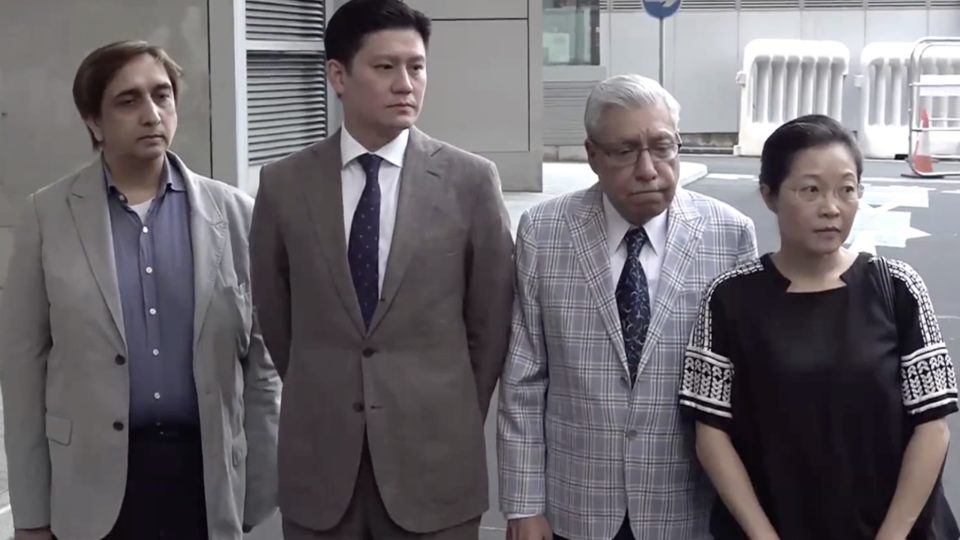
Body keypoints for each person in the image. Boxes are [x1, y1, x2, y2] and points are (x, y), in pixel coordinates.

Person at [249, 0, 514, 538]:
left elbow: (490, 324)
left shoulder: (470, 182)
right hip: (321, 468)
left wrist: (447, 410)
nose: (405, 83)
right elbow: (278, 321)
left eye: (416, 67)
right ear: (338, 76)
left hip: (435, 467)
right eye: (385, 67)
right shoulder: (284, 185)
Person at [0, 41, 281, 540]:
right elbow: (22, 375)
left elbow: (262, 368)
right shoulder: (47, 217)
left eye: (162, 95)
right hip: (91, 486)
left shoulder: (235, 215)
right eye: (128, 101)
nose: (152, 114)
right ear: (93, 122)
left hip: (206, 480)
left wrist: (260, 489)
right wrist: (30, 517)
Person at [497, 74, 758, 540]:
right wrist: (523, 505)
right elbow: (524, 378)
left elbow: (744, 386)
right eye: (624, 151)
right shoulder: (544, 231)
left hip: (687, 505)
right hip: (574, 503)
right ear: (592, 155)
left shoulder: (729, 235)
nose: (648, 168)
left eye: (662, 147)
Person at [679, 114, 959, 539]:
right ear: (769, 195)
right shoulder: (730, 298)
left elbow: (933, 425)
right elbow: (712, 433)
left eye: (847, 190)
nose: (831, 207)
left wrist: (893, 535)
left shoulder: (897, 287)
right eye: (810, 190)